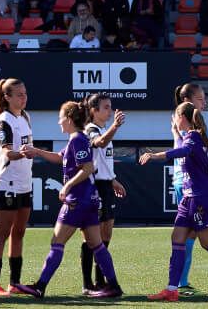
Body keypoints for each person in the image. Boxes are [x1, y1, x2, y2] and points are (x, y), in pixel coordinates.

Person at [138, 101, 208, 301]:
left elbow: (182, 152)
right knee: (177, 239)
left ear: (182, 117)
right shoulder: (189, 136)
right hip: (189, 198)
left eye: (175, 115)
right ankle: (172, 289)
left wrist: (154, 155)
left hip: (200, 197)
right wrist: (176, 132)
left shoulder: (194, 137)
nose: (174, 119)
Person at [12, 99, 121, 298]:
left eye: (60, 117)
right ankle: (114, 286)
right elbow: (60, 157)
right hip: (89, 199)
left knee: (57, 242)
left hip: (77, 200)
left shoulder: (77, 139)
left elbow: (88, 168)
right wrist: (36, 151)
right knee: (97, 245)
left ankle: (40, 286)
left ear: (69, 119)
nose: (58, 122)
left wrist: (68, 185)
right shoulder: (77, 139)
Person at [0, 78, 38, 295]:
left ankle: (15, 283)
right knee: (2, 233)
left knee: (19, 232)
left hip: (24, 183)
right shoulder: (4, 121)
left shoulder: (25, 117)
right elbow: (7, 151)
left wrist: (29, 153)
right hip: (7, 183)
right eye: (19, 94)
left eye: (25, 93)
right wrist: (24, 153)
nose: (24, 97)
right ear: (7, 97)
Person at [81, 95, 129, 296]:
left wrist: (113, 180)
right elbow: (99, 143)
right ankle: (87, 283)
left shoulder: (103, 130)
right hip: (95, 187)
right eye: (105, 107)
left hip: (106, 186)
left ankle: (100, 279)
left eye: (110, 107)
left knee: (106, 233)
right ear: (94, 110)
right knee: (93, 236)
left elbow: (103, 160)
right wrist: (115, 126)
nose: (110, 111)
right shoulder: (91, 129)